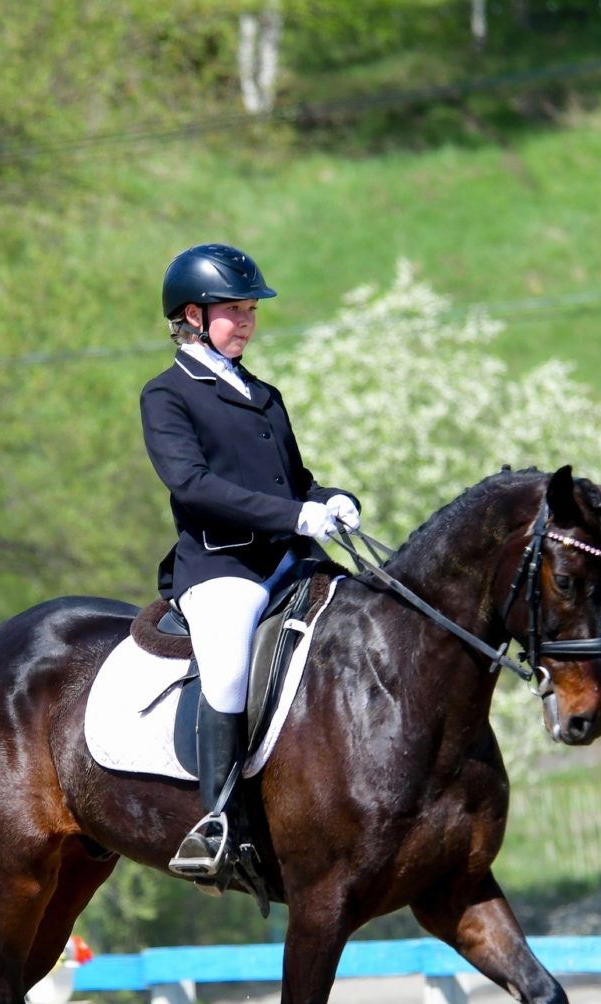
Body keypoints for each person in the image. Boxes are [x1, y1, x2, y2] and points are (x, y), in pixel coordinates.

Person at [141, 243, 361, 884]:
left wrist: (329, 500)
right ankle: (219, 821)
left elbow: (295, 481)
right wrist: (295, 516)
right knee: (231, 664)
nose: (245, 322)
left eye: (249, 311)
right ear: (193, 315)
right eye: (232, 311)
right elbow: (194, 486)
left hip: (290, 559)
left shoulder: (264, 394)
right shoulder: (169, 395)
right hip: (220, 567)